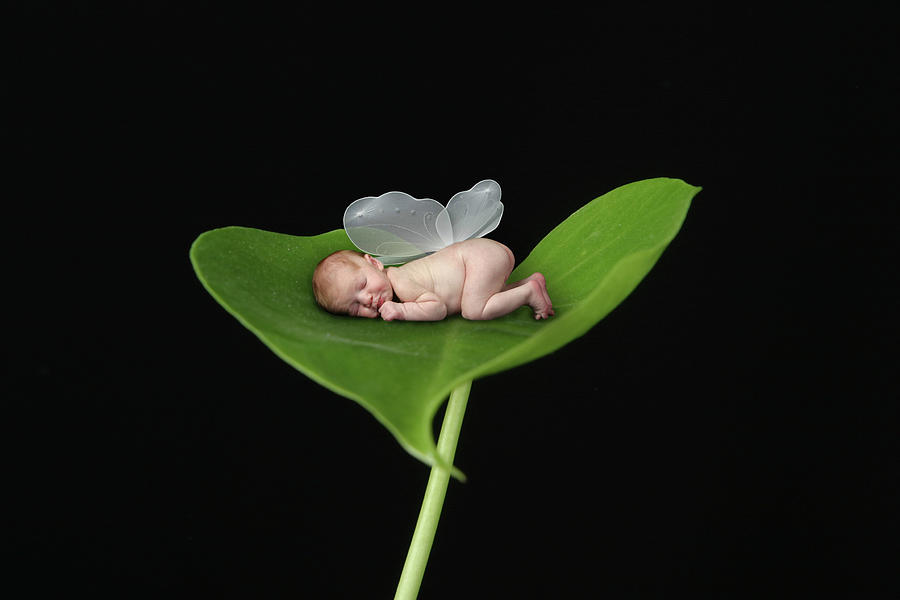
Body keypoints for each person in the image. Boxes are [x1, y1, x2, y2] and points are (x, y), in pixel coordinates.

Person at [312, 238, 554, 321]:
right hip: (479, 260)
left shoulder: (401, 281)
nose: (367, 299)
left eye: (362, 285)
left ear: (375, 263)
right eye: (355, 308)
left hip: (478, 258)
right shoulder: (398, 279)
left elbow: (437, 309)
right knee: (480, 297)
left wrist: (403, 311)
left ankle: (528, 293)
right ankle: (528, 284)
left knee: (474, 310)